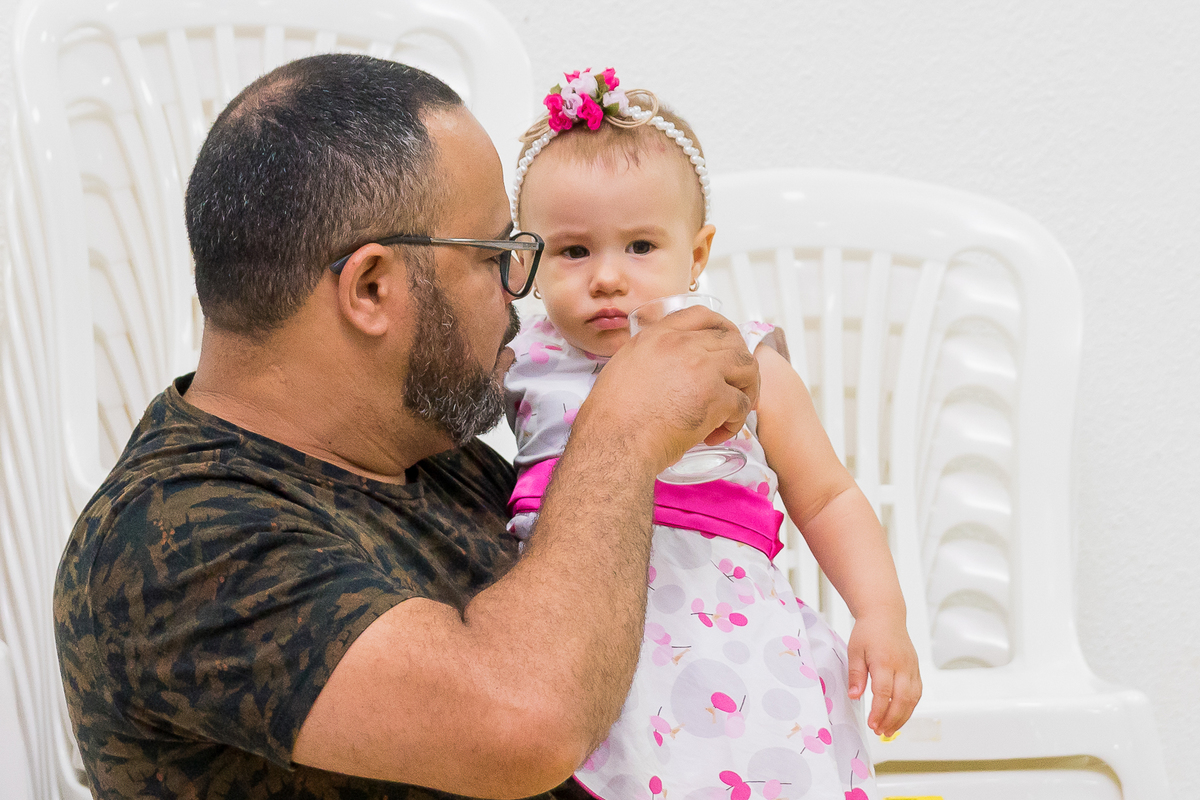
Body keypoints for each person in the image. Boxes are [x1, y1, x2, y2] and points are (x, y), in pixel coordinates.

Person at [52, 55, 762, 800]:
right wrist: (619, 429)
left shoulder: (422, 454)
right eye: (497, 257)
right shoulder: (174, 542)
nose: (519, 296)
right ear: (371, 287)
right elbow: (524, 722)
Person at [503, 68, 922, 799]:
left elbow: (826, 495)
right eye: (574, 251)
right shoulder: (521, 363)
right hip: (576, 648)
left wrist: (881, 614)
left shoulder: (739, 361)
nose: (607, 278)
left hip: (735, 646)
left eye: (640, 246)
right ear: (527, 260)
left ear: (696, 256)